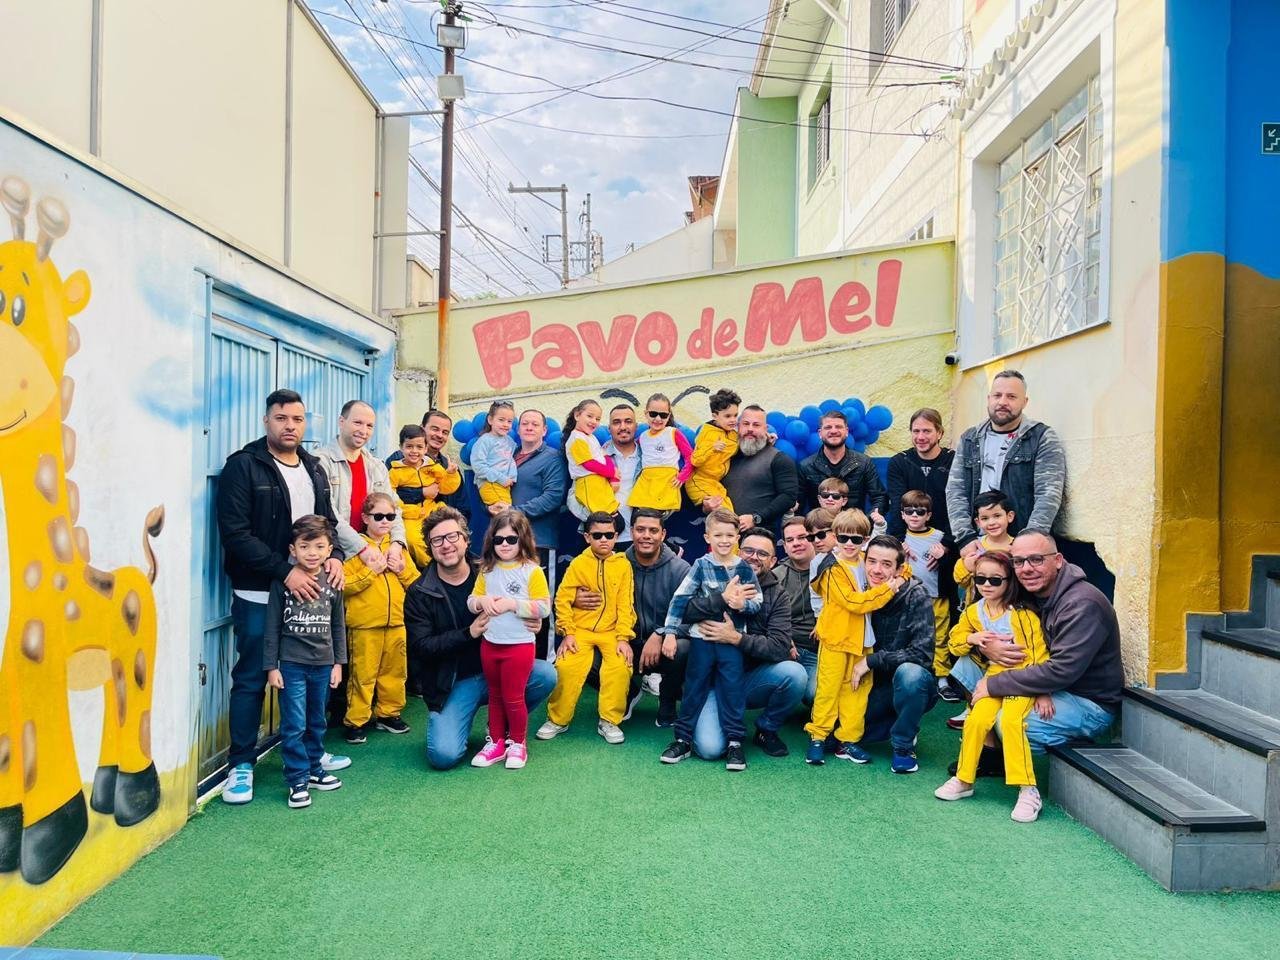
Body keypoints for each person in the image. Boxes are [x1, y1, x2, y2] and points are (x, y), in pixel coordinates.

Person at [216, 389, 346, 806]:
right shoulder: (243, 466)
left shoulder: (313, 467)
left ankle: (310, 755)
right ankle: (241, 764)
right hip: (260, 591)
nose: (290, 426)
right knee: (253, 675)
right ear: (266, 421)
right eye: (281, 418)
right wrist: (285, 571)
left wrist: (337, 557)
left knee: (311, 678)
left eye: (297, 419)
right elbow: (235, 534)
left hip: (312, 596)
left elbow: (327, 524)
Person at [947, 531, 1124, 762]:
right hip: (1046, 679)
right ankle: (991, 751)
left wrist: (994, 685)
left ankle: (1070, 742)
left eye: (1036, 559)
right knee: (967, 664)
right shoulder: (1030, 588)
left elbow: (1061, 671)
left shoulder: (1082, 604)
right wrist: (984, 647)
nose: (1027, 568)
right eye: (1019, 561)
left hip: (1086, 700)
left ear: (1058, 560)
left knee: (1009, 720)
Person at [404, 508, 557, 771]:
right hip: (454, 682)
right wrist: (469, 633)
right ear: (429, 547)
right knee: (444, 755)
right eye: (437, 540)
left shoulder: (488, 568)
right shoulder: (420, 592)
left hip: (503, 660)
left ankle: (505, 734)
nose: (446, 545)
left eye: (452, 536)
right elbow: (421, 648)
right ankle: (490, 734)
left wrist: (534, 620)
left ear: (466, 539)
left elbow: (535, 606)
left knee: (546, 675)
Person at [935, 551, 1050, 822]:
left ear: (1009, 581)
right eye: (980, 579)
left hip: (1024, 678)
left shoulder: (1022, 614)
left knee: (1010, 721)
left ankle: (1027, 789)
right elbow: (954, 642)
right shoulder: (975, 611)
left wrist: (1043, 690)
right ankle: (964, 779)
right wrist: (973, 638)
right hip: (994, 677)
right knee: (976, 719)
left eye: (995, 580)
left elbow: (1039, 655)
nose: (986, 585)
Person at [674, 526, 805, 761]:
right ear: (737, 549)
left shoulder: (778, 595)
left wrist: (736, 638)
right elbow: (682, 609)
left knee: (794, 673)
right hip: (712, 680)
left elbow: (779, 647)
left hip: (750, 678)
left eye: (762, 554)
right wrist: (720, 599)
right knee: (710, 749)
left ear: (773, 561)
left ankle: (766, 729)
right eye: (748, 550)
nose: (753, 557)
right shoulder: (709, 574)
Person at [659, 509, 762, 772]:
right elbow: (680, 600)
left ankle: (735, 742)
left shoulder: (744, 568)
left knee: (732, 689)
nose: (724, 540)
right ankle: (682, 739)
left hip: (731, 643)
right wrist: (670, 632)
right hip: (701, 639)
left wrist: (742, 605)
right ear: (707, 537)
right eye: (718, 535)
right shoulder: (701, 565)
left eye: (729, 535)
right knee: (694, 686)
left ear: (738, 537)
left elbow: (757, 601)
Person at [804, 509, 903, 766]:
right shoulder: (830, 567)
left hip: (863, 640)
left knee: (857, 692)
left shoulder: (866, 560)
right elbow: (853, 602)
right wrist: (888, 589)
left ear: (865, 539)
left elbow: (899, 565)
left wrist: (900, 575)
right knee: (828, 690)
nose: (849, 544)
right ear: (835, 536)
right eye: (843, 538)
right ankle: (818, 737)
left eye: (856, 539)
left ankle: (848, 740)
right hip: (836, 638)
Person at [263, 515, 347, 808]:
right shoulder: (282, 583)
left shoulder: (334, 582)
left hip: (324, 665)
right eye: (304, 546)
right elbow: (272, 626)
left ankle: (313, 768)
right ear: (292, 549)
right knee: (294, 724)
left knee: (317, 720)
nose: (312, 553)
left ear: (329, 549)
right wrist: (271, 667)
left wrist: (338, 663)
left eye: (319, 546)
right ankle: (297, 779)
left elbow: (338, 625)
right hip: (291, 665)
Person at [538, 512, 636, 744]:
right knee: (566, 666)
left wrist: (623, 637)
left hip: (612, 631)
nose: (603, 540)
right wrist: (568, 632)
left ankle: (610, 720)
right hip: (580, 629)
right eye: (597, 535)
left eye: (609, 535)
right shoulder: (578, 564)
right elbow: (562, 599)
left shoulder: (623, 565)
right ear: (587, 537)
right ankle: (557, 719)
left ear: (616, 536)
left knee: (620, 666)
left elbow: (626, 604)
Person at [466, 510, 551, 770]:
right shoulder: (487, 570)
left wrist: (513, 604)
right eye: (499, 539)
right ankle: (496, 742)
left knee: (513, 697)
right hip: (490, 644)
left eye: (511, 539)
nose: (504, 544)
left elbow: (544, 607)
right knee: (495, 696)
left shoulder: (532, 571)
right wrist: (481, 601)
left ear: (522, 539)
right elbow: (471, 601)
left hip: (519, 646)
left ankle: (517, 743)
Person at [946, 370, 1066, 549]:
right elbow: (956, 491)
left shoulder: (1041, 437)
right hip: (977, 544)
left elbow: (1048, 495)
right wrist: (965, 539)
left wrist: (1027, 544)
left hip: (1020, 545)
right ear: (989, 399)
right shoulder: (970, 438)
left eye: (1011, 396)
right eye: (997, 395)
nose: (1002, 402)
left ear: (1024, 402)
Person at [856, 536, 941, 774]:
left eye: (886, 564)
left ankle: (903, 745)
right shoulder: (857, 589)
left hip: (901, 679)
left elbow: (922, 654)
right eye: (872, 561)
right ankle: (888, 723)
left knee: (911, 675)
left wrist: (873, 660)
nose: (876, 570)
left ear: (899, 569)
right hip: (867, 682)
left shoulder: (916, 594)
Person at [341, 492, 420, 745]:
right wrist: (370, 572)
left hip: (396, 622)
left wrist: (401, 570)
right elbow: (343, 586)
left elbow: (416, 585)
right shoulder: (354, 549)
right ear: (365, 518)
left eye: (390, 516)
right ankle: (356, 720)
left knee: (395, 673)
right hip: (364, 625)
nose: (385, 521)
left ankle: (389, 713)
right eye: (378, 516)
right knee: (362, 675)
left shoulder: (398, 549)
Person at [317, 400, 408, 577]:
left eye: (369, 426)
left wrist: (397, 543)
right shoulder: (321, 462)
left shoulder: (376, 466)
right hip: (335, 556)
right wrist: (362, 548)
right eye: (358, 423)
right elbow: (328, 513)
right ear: (341, 422)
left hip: (374, 555)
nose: (364, 431)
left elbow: (394, 508)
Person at [389, 423, 460, 569]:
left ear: (426, 448)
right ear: (401, 447)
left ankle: (457, 563)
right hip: (409, 515)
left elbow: (445, 488)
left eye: (419, 447)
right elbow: (391, 498)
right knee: (413, 540)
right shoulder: (395, 471)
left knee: (452, 529)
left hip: (432, 509)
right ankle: (432, 568)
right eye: (409, 446)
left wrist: (451, 474)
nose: (414, 451)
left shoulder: (432, 466)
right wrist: (411, 511)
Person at [898, 490, 951, 679]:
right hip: (909, 598)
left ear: (928, 515)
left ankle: (942, 676)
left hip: (936, 597)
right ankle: (913, 673)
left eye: (920, 512)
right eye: (909, 511)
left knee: (939, 636)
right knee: (910, 635)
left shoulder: (940, 537)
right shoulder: (899, 540)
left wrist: (943, 555)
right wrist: (898, 552)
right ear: (902, 514)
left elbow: (951, 566)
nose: (914, 515)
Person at [722, 404, 799, 532]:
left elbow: (788, 497)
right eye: (746, 424)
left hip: (760, 536)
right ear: (738, 427)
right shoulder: (724, 457)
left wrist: (756, 518)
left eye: (756, 425)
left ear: (765, 429)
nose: (750, 429)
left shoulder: (779, 459)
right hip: (724, 536)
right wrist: (706, 505)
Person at [798, 411, 888, 519]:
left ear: (846, 432)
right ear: (820, 433)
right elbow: (798, 505)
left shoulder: (864, 463)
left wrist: (865, 523)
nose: (833, 431)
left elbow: (880, 497)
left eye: (838, 427)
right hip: (820, 527)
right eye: (828, 427)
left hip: (854, 526)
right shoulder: (806, 466)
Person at [887, 408, 955, 539]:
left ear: (940, 433)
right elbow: (897, 505)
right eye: (916, 431)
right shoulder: (899, 462)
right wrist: (900, 541)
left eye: (927, 431)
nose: (920, 437)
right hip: (909, 538)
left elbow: (959, 505)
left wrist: (947, 543)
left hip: (946, 538)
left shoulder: (953, 460)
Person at [628, 393, 693, 513]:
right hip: (647, 481)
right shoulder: (642, 437)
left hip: (666, 481)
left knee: (660, 515)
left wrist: (682, 476)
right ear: (646, 413)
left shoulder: (673, 433)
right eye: (653, 414)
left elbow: (690, 456)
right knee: (641, 514)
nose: (658, 419)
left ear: (669, 416)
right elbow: (629, 448)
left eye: (663, 415)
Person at [953, 490, 1016, 602]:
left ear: (1009, 516)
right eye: (985, 518)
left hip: (1010, 603)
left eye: (997, 516)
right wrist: (966, 567)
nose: (991, 522)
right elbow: (960, 581)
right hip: (976, 606)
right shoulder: (974, 546)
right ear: (978, 522)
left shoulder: (1017, 546)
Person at [685, 388, 741, 513]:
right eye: (727, 416)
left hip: (715, 482)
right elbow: (695, 460)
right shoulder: (708, 434)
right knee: (722, 511)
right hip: (699, 481)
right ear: (715, 416)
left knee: (729, 510)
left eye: (735, 415)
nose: (733, 420)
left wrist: (766, 437)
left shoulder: (732, 433)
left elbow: (740, 444)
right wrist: (712, 448)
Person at [564, 399, 621, 517]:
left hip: (600, 482)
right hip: (588, 483)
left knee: (613, 516)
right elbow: (589, 463)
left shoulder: (591, 437)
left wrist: (613, 476)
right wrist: (611, 472)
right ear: (577, 415)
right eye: (590, 416)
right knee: (599, 518)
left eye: (598, 419)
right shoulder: (576, 438)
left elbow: (605, 457)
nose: (594, 421)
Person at [601, 404, 641, 541]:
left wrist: (657, 516)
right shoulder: (596, 457)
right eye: (616, 422)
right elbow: (574, 496)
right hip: (605, 539)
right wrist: (595, 517)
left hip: (644, 539)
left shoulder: (650, 456)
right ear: (609, 428)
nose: (623, 427)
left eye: (628, 421)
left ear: (636, 426)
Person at [471, 400, 518, 509]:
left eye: (509, 421)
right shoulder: (485, 440)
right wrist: (502, 478)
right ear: (490, 420)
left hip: (504, 486)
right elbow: (478, 466)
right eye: (501, 420)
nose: (505, 424)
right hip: (490, 483)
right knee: (506, 513)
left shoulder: (509, 441)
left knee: (505, 516)